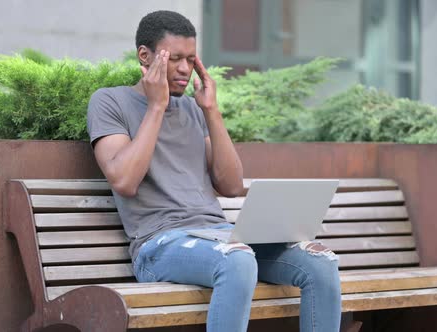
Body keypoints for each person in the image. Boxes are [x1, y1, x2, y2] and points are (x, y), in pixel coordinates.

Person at [87, 10, 341, 332]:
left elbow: (231, 185)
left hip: (218, 237)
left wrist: (211, 110)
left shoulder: (193, 109)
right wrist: (156, 107)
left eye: (191, 59)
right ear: (145, 55)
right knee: (235, 259)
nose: (184, 68)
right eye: (175, 58)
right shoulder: (110, 102)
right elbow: (124, 181)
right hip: (158, 245)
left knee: (320, 262)